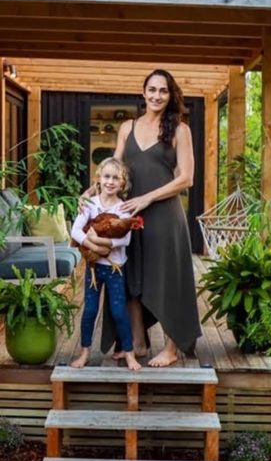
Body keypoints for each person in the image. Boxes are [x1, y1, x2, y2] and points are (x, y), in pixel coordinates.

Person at [83, 69, 201, 367]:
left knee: (167, 281)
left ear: (170, 95)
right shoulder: (127, 128)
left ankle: (172, 348)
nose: (156, 95)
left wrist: (147, 198)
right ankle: (137, 342)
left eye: (163, 90)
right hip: (129, 216)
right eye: (152, 89)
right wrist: (94, 190)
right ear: (143, 92)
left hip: (164, 216)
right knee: (130, 278)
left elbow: (186, 178)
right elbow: (115, 166)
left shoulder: (180, 130)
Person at [68, 158, 140, 370]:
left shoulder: (123, 208)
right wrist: (96, 248)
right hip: (93, 267)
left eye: (115, 178)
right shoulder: (90, 203)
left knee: (118, 311)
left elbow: (125, 240)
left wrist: (101, 243)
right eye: (106, 176)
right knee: (90, 310)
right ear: (98, 179)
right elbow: (74, 232)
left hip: (115, 267)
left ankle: (129, 354)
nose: (110, 181)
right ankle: (84, 353)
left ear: (122, 183)